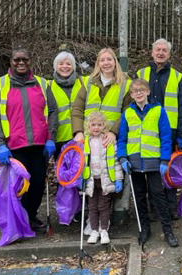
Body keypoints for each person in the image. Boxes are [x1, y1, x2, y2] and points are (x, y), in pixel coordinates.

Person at [0, 47, 58, 233]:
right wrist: (0, 144)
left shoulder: (42, 84)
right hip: (13, 147)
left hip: (39, 146)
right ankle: (17, 222)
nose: (21, 63)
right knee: (17, 188)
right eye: (16, 59)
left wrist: (51, 137)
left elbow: (52, 111)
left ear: (30, 61)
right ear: (10, 61)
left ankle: (31, 217)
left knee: (36, 183)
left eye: (24, 59)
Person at [71, 48, 133, 226]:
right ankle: (93, 217)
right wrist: (78, 132)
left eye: (110, 59)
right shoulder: (87, 82)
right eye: (102, 60)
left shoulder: (125, 84)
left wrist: (114, 132)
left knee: (117, 173)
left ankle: (118, 211)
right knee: (92, 177)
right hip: (90, 141)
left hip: (114, 138)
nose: (106, 63)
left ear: (115, 62)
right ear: (98, 63)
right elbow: (77, 109)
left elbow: (127, 112)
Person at [117, 79, 179, 247]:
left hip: (153, 162)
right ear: (131, 95)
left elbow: (166, 137)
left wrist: (165, 159)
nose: (138, 93)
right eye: (135, 91)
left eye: (141, 90)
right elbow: (122, 139)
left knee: (159, 196)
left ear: (148, 92)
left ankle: (168, 231)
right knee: (139, 197)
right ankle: (144, 228)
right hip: (134, 164)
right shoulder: (127, 114)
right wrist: (122, 158)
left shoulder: (159, 111)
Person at [136, 38, 182, 220]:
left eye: (164, 50)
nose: (160, 53)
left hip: (170, 132)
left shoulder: (178, 76)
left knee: (169, 171)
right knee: (151, 171)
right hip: (146, 132)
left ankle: (170, 208)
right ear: (151, 53)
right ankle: (154, 209)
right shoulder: (141, 74)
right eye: (157, 50)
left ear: (169, 54)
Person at [83, 112, 123, 244]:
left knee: (103, 205)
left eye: (99, 125)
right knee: (92, 206)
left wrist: (118, 179)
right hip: (90, 180)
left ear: (104, 126)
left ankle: (104, 230)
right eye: (93, 125)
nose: (96, 127)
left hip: (105, 179)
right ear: (89, 126)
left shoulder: (109, 141)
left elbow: (115, 162)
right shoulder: (85, 142)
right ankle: (94, 230)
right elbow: (80, 162)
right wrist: (79, 178)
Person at [51, 51, 87, 158]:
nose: (65, 66)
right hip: (59, 139)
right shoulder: (49, 86)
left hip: (82, 136)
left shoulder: (84, 82)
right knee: (63, 172)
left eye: (68, 63)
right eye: (61, 64)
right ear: (55, 66)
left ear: (73, 66)